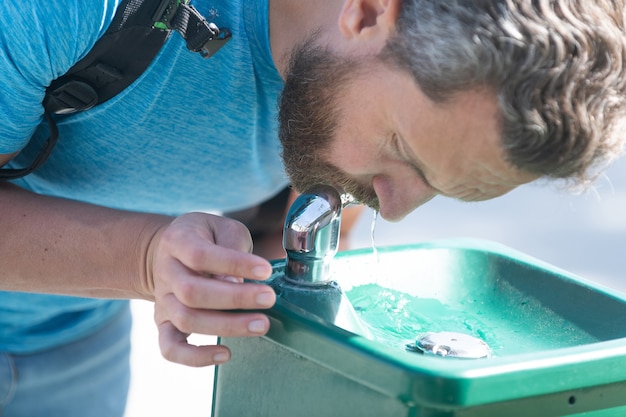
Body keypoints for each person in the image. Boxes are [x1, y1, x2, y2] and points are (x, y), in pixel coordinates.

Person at [1, 0, 625, 415]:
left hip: (70, 341)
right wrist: (143, 259)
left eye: (438, 186)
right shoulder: (71, 11)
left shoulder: (347, 89)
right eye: (403, 150)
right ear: (371, 12)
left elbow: (279, 223)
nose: (397, 209)